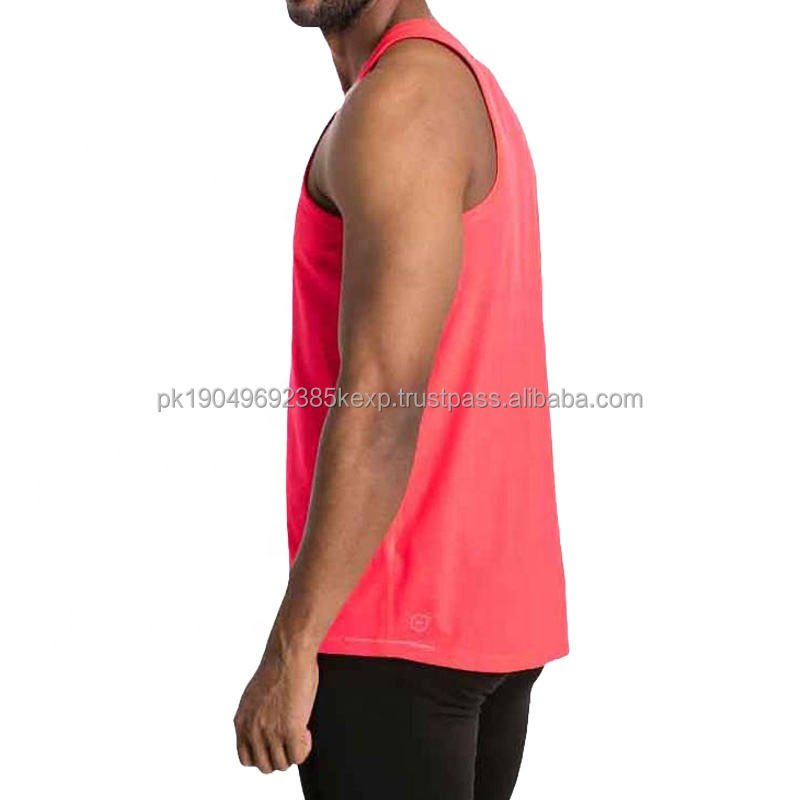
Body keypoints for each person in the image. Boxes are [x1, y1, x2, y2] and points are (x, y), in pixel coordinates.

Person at [234, 1, 568, 797]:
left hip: (395, 629)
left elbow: (384, 399)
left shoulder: (403, 100)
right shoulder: (453, 86)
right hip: (478, 621)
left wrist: (292, 644)